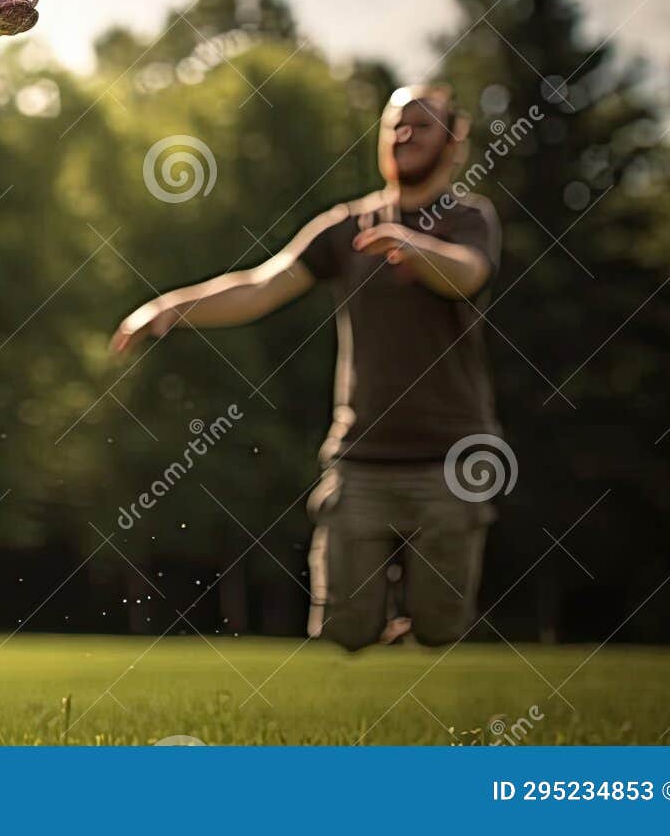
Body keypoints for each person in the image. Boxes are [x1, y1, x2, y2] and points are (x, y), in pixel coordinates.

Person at [109, 84, 502, 650]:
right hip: (360, 457)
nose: (404, 135)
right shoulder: (346, 227)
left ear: (455, 139)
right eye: (395, 125)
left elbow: (468, 274)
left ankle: (411, 618)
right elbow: (260, 286)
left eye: (421, 124)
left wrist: (415, 247)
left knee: (441, 627)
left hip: (451, 459)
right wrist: (171, 306)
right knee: (343, 630)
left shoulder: (469, 219)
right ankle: (383, 608)